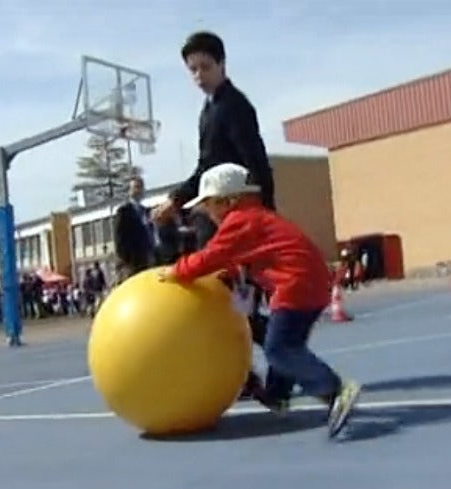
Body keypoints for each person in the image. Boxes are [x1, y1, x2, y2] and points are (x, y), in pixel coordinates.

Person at [158, 163, 361, 439]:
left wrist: (177, 271)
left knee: (279, 349)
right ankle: (278, 394)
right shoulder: (255, 217)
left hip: (295, 284)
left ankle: (335, 389)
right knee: (288, 344)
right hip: (312, 282)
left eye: (208, 205)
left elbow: (212, 255)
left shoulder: (240, 221)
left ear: (227, 201)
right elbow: (235, 259)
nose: (207, 213)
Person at [151, 30, 278, 399]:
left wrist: (264, 218)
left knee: (237, 303)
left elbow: (257, 164)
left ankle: (284, 358)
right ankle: (250, 373)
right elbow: (206, 168)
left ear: (222, 64)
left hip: (238, 223)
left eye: (205, 67)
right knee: (230, 304)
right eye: (192, 69)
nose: (198, 75)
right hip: (216, 219)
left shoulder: (234, 107)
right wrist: (178, 200)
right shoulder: (209, 111)